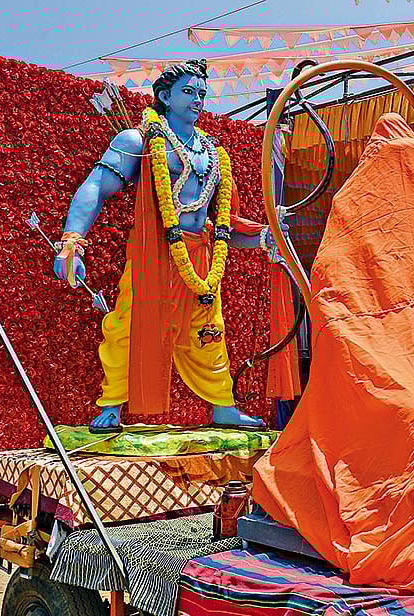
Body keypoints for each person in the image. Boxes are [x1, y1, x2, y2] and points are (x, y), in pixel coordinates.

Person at [54, 60, 298, 431]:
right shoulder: (138, 140)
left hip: (200, 257)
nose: (197, 100)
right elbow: (96, 186)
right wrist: (72, 240)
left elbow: (223, 226)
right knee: (129, 324)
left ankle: (223, 407)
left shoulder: (214, 154)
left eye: (201, 93)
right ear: (164, 96)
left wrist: (266, 239)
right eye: (188, 92)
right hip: (155, 254)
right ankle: (112, 405)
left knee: (209, 330)